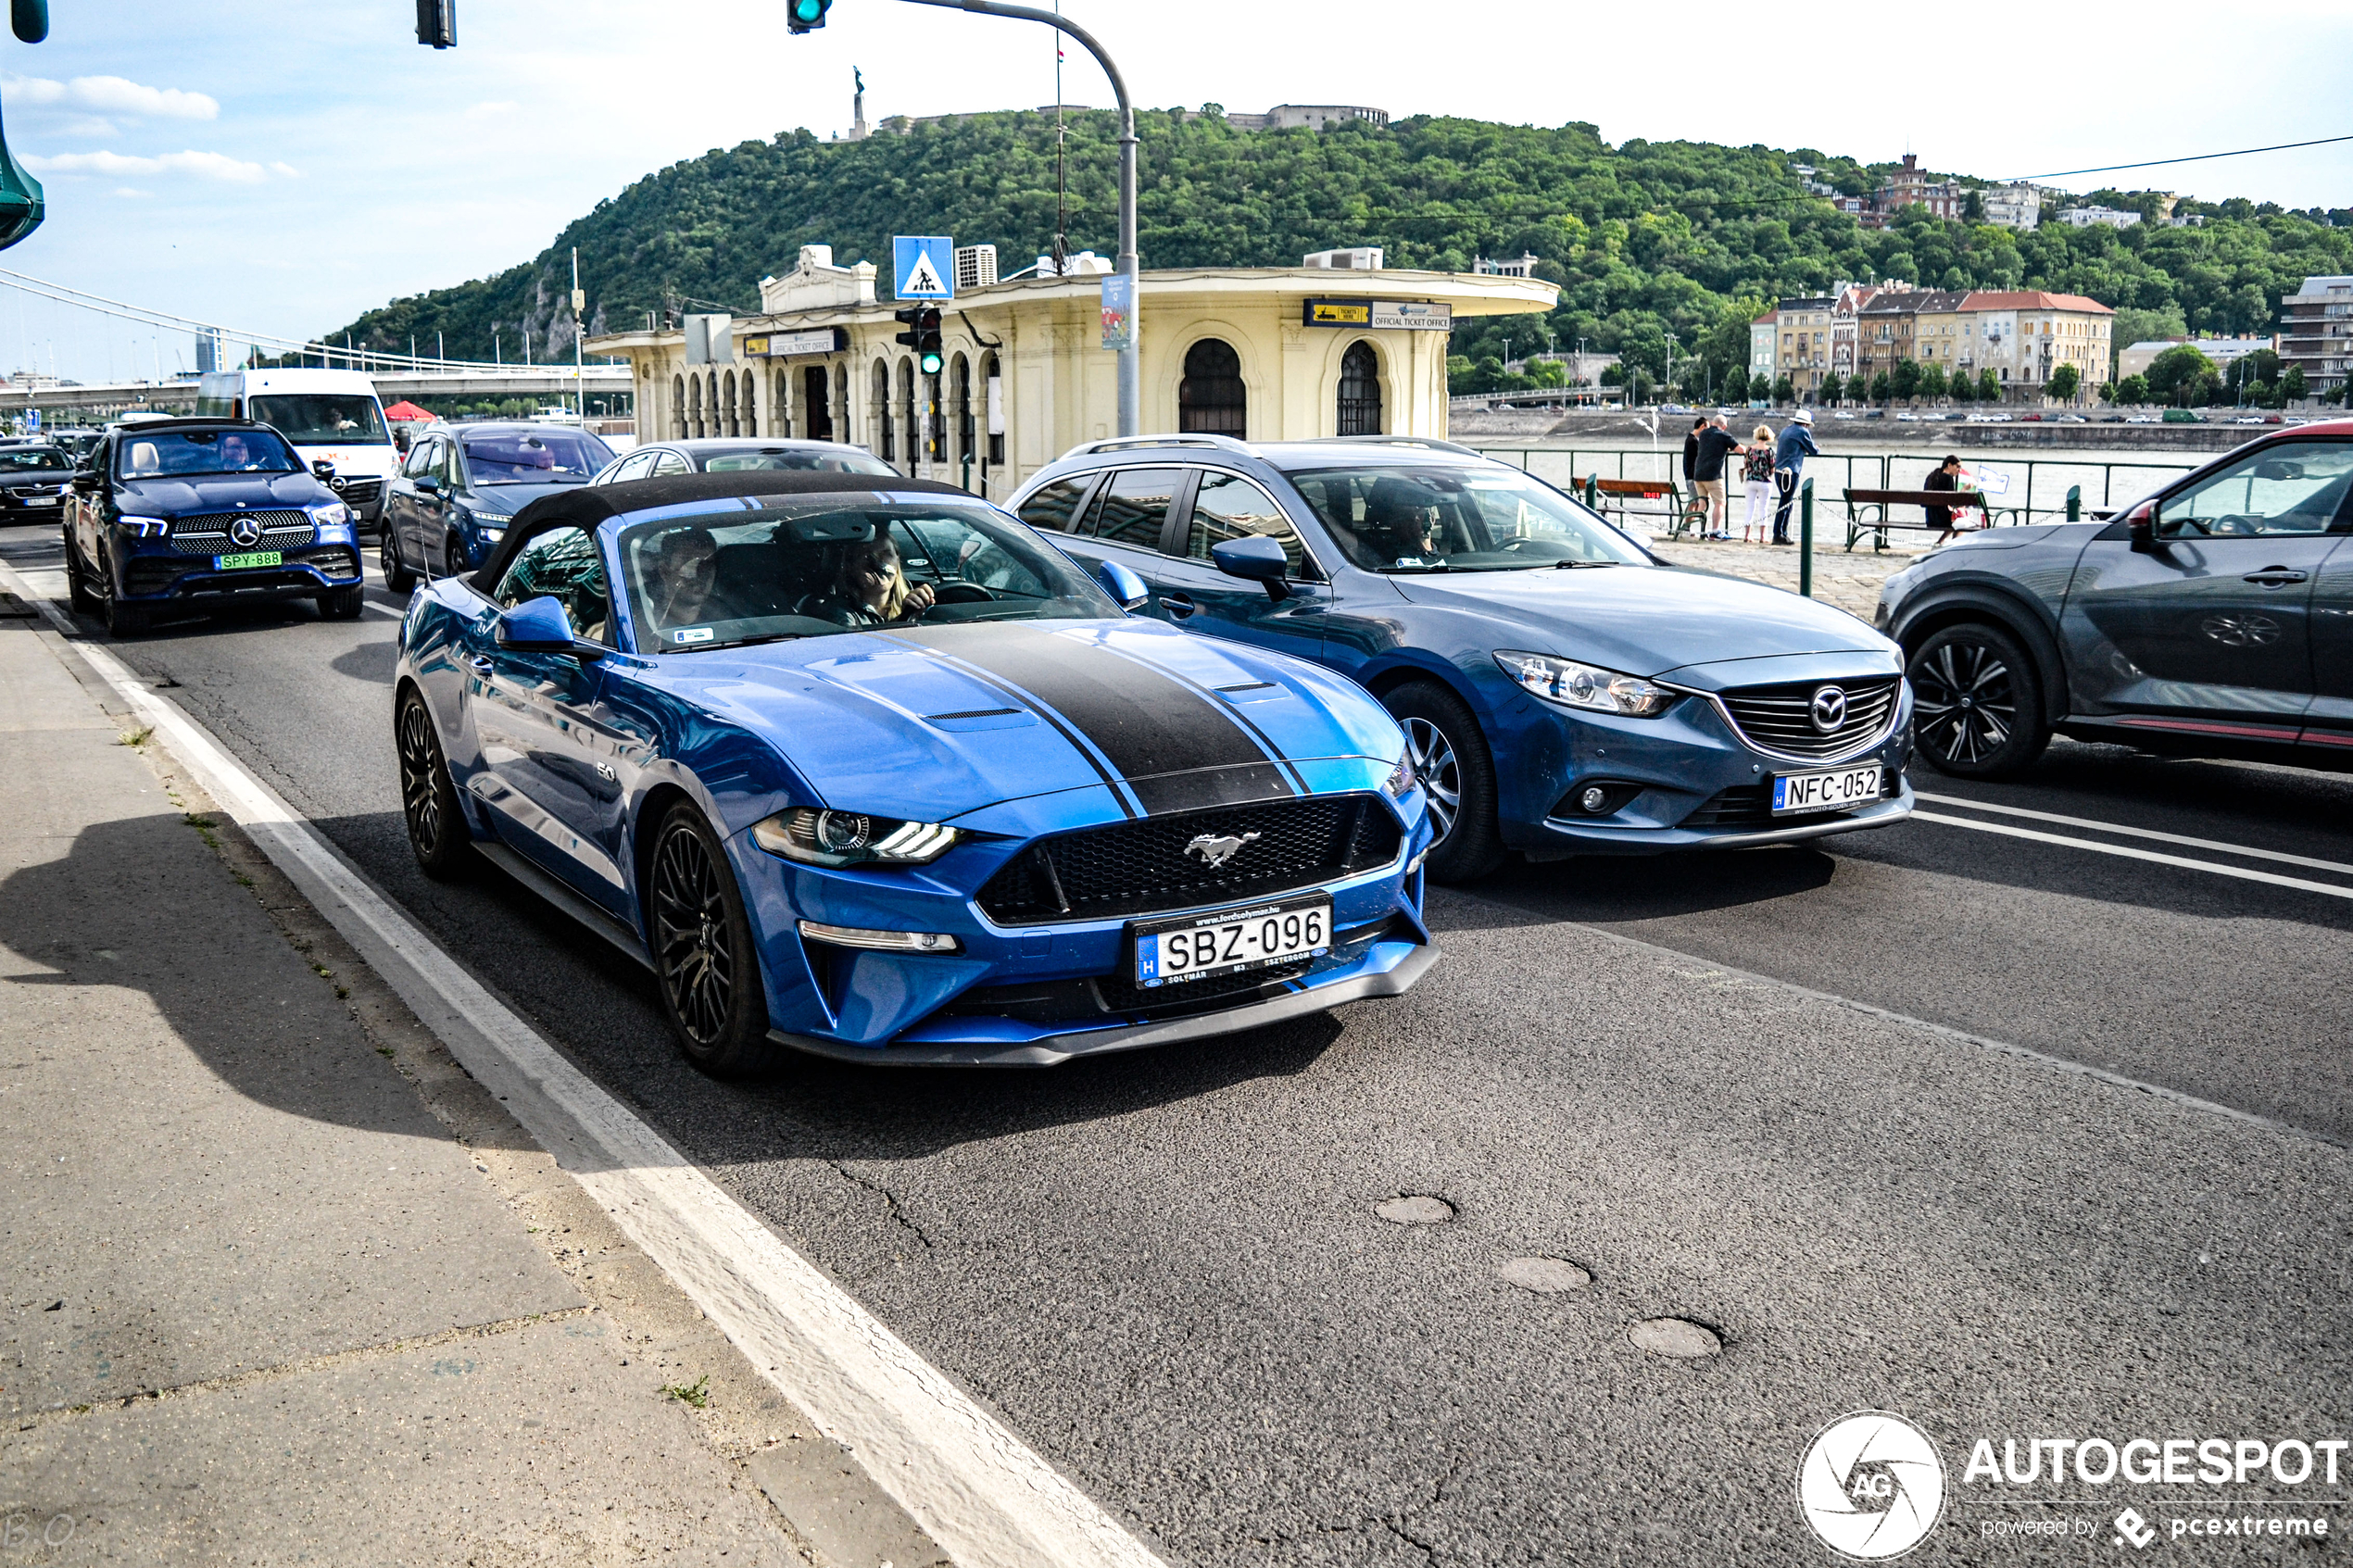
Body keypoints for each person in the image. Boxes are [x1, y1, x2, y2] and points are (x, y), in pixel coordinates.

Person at [808, 533, 937, 627]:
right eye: (866, 556)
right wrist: (904, 620)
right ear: (851, 566)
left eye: (886, 554)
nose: (878, 564)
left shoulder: (914, 599)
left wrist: (921, 612)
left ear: (898, 560)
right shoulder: (838, 613)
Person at [648, 526, 746, 629]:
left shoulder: (732, 624)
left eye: (707, 564)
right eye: (687, 563)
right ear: (664, 571)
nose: (700, 574)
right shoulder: (642, 624)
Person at [1690, 415, 1746, 539]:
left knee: (1702, 502)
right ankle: (1715, 531)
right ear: (1724, 426)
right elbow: (1741, 450)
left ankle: (1701, 530)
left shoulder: (1703, 434)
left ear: (1712, 423)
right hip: (1713, 475)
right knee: (1720, 503)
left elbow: (1712, 446)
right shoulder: (1724, 435)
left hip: (1698, 474)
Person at [1770, 408, 1821, 546]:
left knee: (1785, 501)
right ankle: (1779, 534)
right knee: (1786, 503)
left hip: (1779, 472)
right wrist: (1817, 448)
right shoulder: (1802, 432)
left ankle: (1781, 533)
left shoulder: (1786, 430)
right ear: (1806, 424)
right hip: (1790, 472)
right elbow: (1813, 451)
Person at [1923, 455, 1972, 545]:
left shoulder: (1931, 477)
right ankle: (1952, 545)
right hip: (1941, 519)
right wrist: (1964, 489)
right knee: (1963, 523)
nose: (1959, 470)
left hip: (1930, 518)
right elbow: (1954, 501)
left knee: (1955, 520)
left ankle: (1940, 542)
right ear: (1949, 465)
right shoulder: (1948, 478)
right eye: (1958, 466)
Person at [1740, 424, 1777, 543]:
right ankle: (1763, 536)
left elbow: (1745, 464)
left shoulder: (1750, 449)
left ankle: (1747, 535)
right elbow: (1772, 469)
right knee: (1763, 508)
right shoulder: (1769, 451)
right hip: (1765, 482)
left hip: (1750, 481)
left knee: (1749, 507)